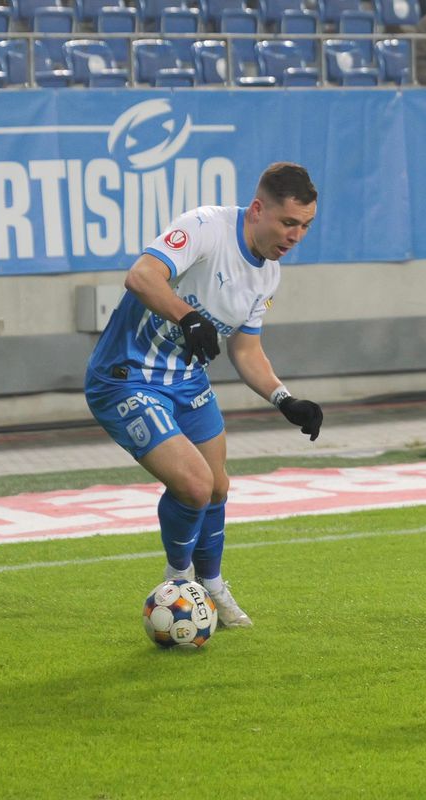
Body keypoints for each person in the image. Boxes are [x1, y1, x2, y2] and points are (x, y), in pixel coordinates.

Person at [84, 162, 324, 628]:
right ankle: (178, 584)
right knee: (193, 485)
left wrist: (284, 399)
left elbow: (246, 348)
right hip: (126, 375)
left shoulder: (267, 273)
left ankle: (211, 585)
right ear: (258, 210)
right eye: (288, 222)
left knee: (217, 486)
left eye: (305, 226)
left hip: (186, 381)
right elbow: (142, 276)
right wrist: (186, 316)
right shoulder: (204, 227)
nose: (296, 235)